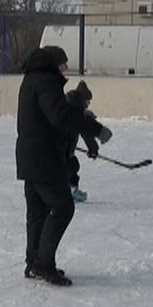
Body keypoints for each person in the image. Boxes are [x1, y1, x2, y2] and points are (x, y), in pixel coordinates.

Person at [16, 46, 109, 286]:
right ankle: (43, 264)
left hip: (29, 156)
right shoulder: (47, 81)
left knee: (37, 212)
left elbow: (54, 115)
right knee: (63, 207)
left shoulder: (32, 79)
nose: (66, 68)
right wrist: (95, 129)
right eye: (63, 63)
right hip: (43, 158)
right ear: (53, 63)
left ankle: (34, 262)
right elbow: (60, 117)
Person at [64, 80, 101, 203]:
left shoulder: (68, 103)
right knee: (71, 166)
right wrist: (93, 149)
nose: (88, 104)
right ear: (82, 99)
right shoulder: (76, 111)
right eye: (87, 101)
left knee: (70, 166)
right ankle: (71, 191)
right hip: (61, 146)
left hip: (63, 145)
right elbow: (85, 133)